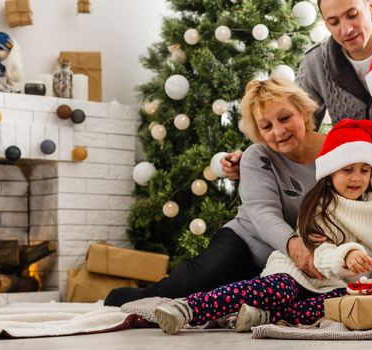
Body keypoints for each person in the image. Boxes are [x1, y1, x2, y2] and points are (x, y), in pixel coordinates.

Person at [153, 119, 372, 334]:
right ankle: (189, 308)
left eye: (364, 170)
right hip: (298, 271)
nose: (356, 178)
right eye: (347, 170)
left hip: (336, 285)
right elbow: (318, 252)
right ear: (330, 173)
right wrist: (347, 255)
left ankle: (269, 316)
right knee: (278, 290)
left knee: (341, 303)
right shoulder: (320, 206)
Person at [104, 78, 326, 306]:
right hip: (246, 243)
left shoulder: (336, 151)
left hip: (292, 260)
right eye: (266, 126)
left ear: (302, 110)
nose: (279, 131)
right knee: (194, 285)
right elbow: (262, 212)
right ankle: (124, 299)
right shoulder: (258, 156)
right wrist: (294, 245)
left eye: (285, 118)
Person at [221, 0, 372, 179]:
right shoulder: (315, 63)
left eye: (352, 15)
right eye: (333, 22)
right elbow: (293, 126)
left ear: (370, 6)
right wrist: (251, 158)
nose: (346, 29)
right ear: (325, 23)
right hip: (359, 183)